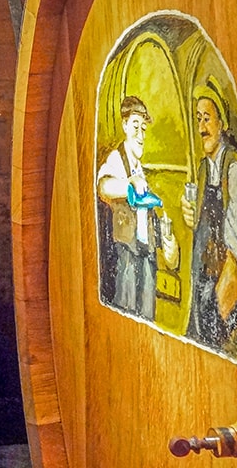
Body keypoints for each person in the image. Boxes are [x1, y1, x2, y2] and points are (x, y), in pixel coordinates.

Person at [180, 77, 237, 369]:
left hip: (230, 309)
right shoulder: (205, 169)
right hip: (204, 297)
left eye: (208, 118)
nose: (202, 126)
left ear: (223, 124)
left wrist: (216, 316)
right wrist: (191, 219)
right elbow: (205, 231)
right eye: (198, 119)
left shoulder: (235, 172)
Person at [97, 96, 178, 319]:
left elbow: (146, 214)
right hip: (126, 254)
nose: (141, 135)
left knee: (147, 314)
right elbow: (104, 186)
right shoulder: (116, 159)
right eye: (135, 126)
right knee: (127, 310)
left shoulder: (141, 171)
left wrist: (166, 241)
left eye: (144, 128)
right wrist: (128, 185)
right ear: (124, 125)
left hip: (147, 256)